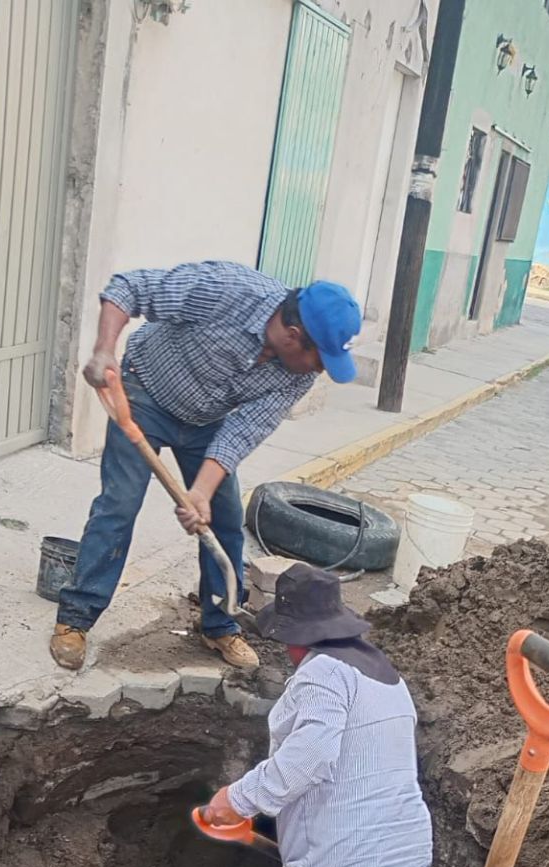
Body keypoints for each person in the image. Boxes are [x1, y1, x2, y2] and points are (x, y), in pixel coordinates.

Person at [50, 262, 362, 674]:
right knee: (119, 505)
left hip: (206, 421)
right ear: (293, 336)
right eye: (320, 359)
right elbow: (128, 288)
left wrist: (201, 492)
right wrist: (104, 349)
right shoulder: (226, 290)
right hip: (143, 392)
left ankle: (219, 622)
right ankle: (75, 618)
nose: (320, 370)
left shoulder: (296, 375)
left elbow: (244, 429)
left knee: (227, 520)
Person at [202, 564, 433, 867]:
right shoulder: (385, 676)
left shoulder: (322, 674)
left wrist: (234, 800)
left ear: (293, 637)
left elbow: (306, 761)